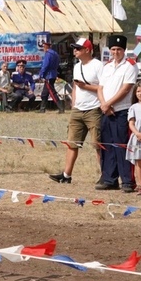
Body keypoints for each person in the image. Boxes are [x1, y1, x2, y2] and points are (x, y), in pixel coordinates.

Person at [49, 38, 104, 184]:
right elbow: (75, 86)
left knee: (98, 144)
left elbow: (102, 88)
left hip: (94, 109)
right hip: (78, 109)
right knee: (72, 143)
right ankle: (66, 175)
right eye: (74, 48)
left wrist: (86, 87)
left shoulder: (98, 66)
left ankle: (106, 175)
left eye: (78, 48)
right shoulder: (76, 66)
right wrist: (74, 104)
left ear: (87, 50)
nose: (75, 50)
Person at [96, 34, 138, 192]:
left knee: (122, 145)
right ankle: (109, 178)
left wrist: (109, 103)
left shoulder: (130, 66)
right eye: (113, 49)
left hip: (121, 111)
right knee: (107, 146)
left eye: (119, 49)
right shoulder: (106, 67)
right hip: (106, 111)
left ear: (124, 50)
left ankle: (127, 180)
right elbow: (100, 88)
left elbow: (126, 88)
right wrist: (103, 104)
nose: (115, 52)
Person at [38, 38, 62, 113]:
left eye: (43, 47)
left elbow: (45, 65)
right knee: (45, 93)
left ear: (45, 47)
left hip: (48, 75)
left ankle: (61, 107)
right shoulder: (56, 54)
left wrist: (41, 74)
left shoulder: (48, 54)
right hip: (54, 74)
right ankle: (42, 108)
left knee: (52, 92)